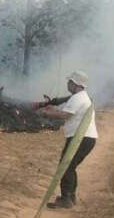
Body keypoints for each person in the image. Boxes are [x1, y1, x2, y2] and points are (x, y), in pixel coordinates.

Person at [34, 71, 98, 209]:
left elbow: (65, 115)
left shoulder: (77, 98)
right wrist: (51, 109)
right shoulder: (81, 97)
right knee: (71, 166)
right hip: (86, 139)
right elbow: (67, 113)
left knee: (66, 166)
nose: (67, 84)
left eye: (69, 82)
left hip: (81, 138)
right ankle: (71, 196)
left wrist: (46, 113)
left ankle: (65, 199)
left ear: (76, 84)